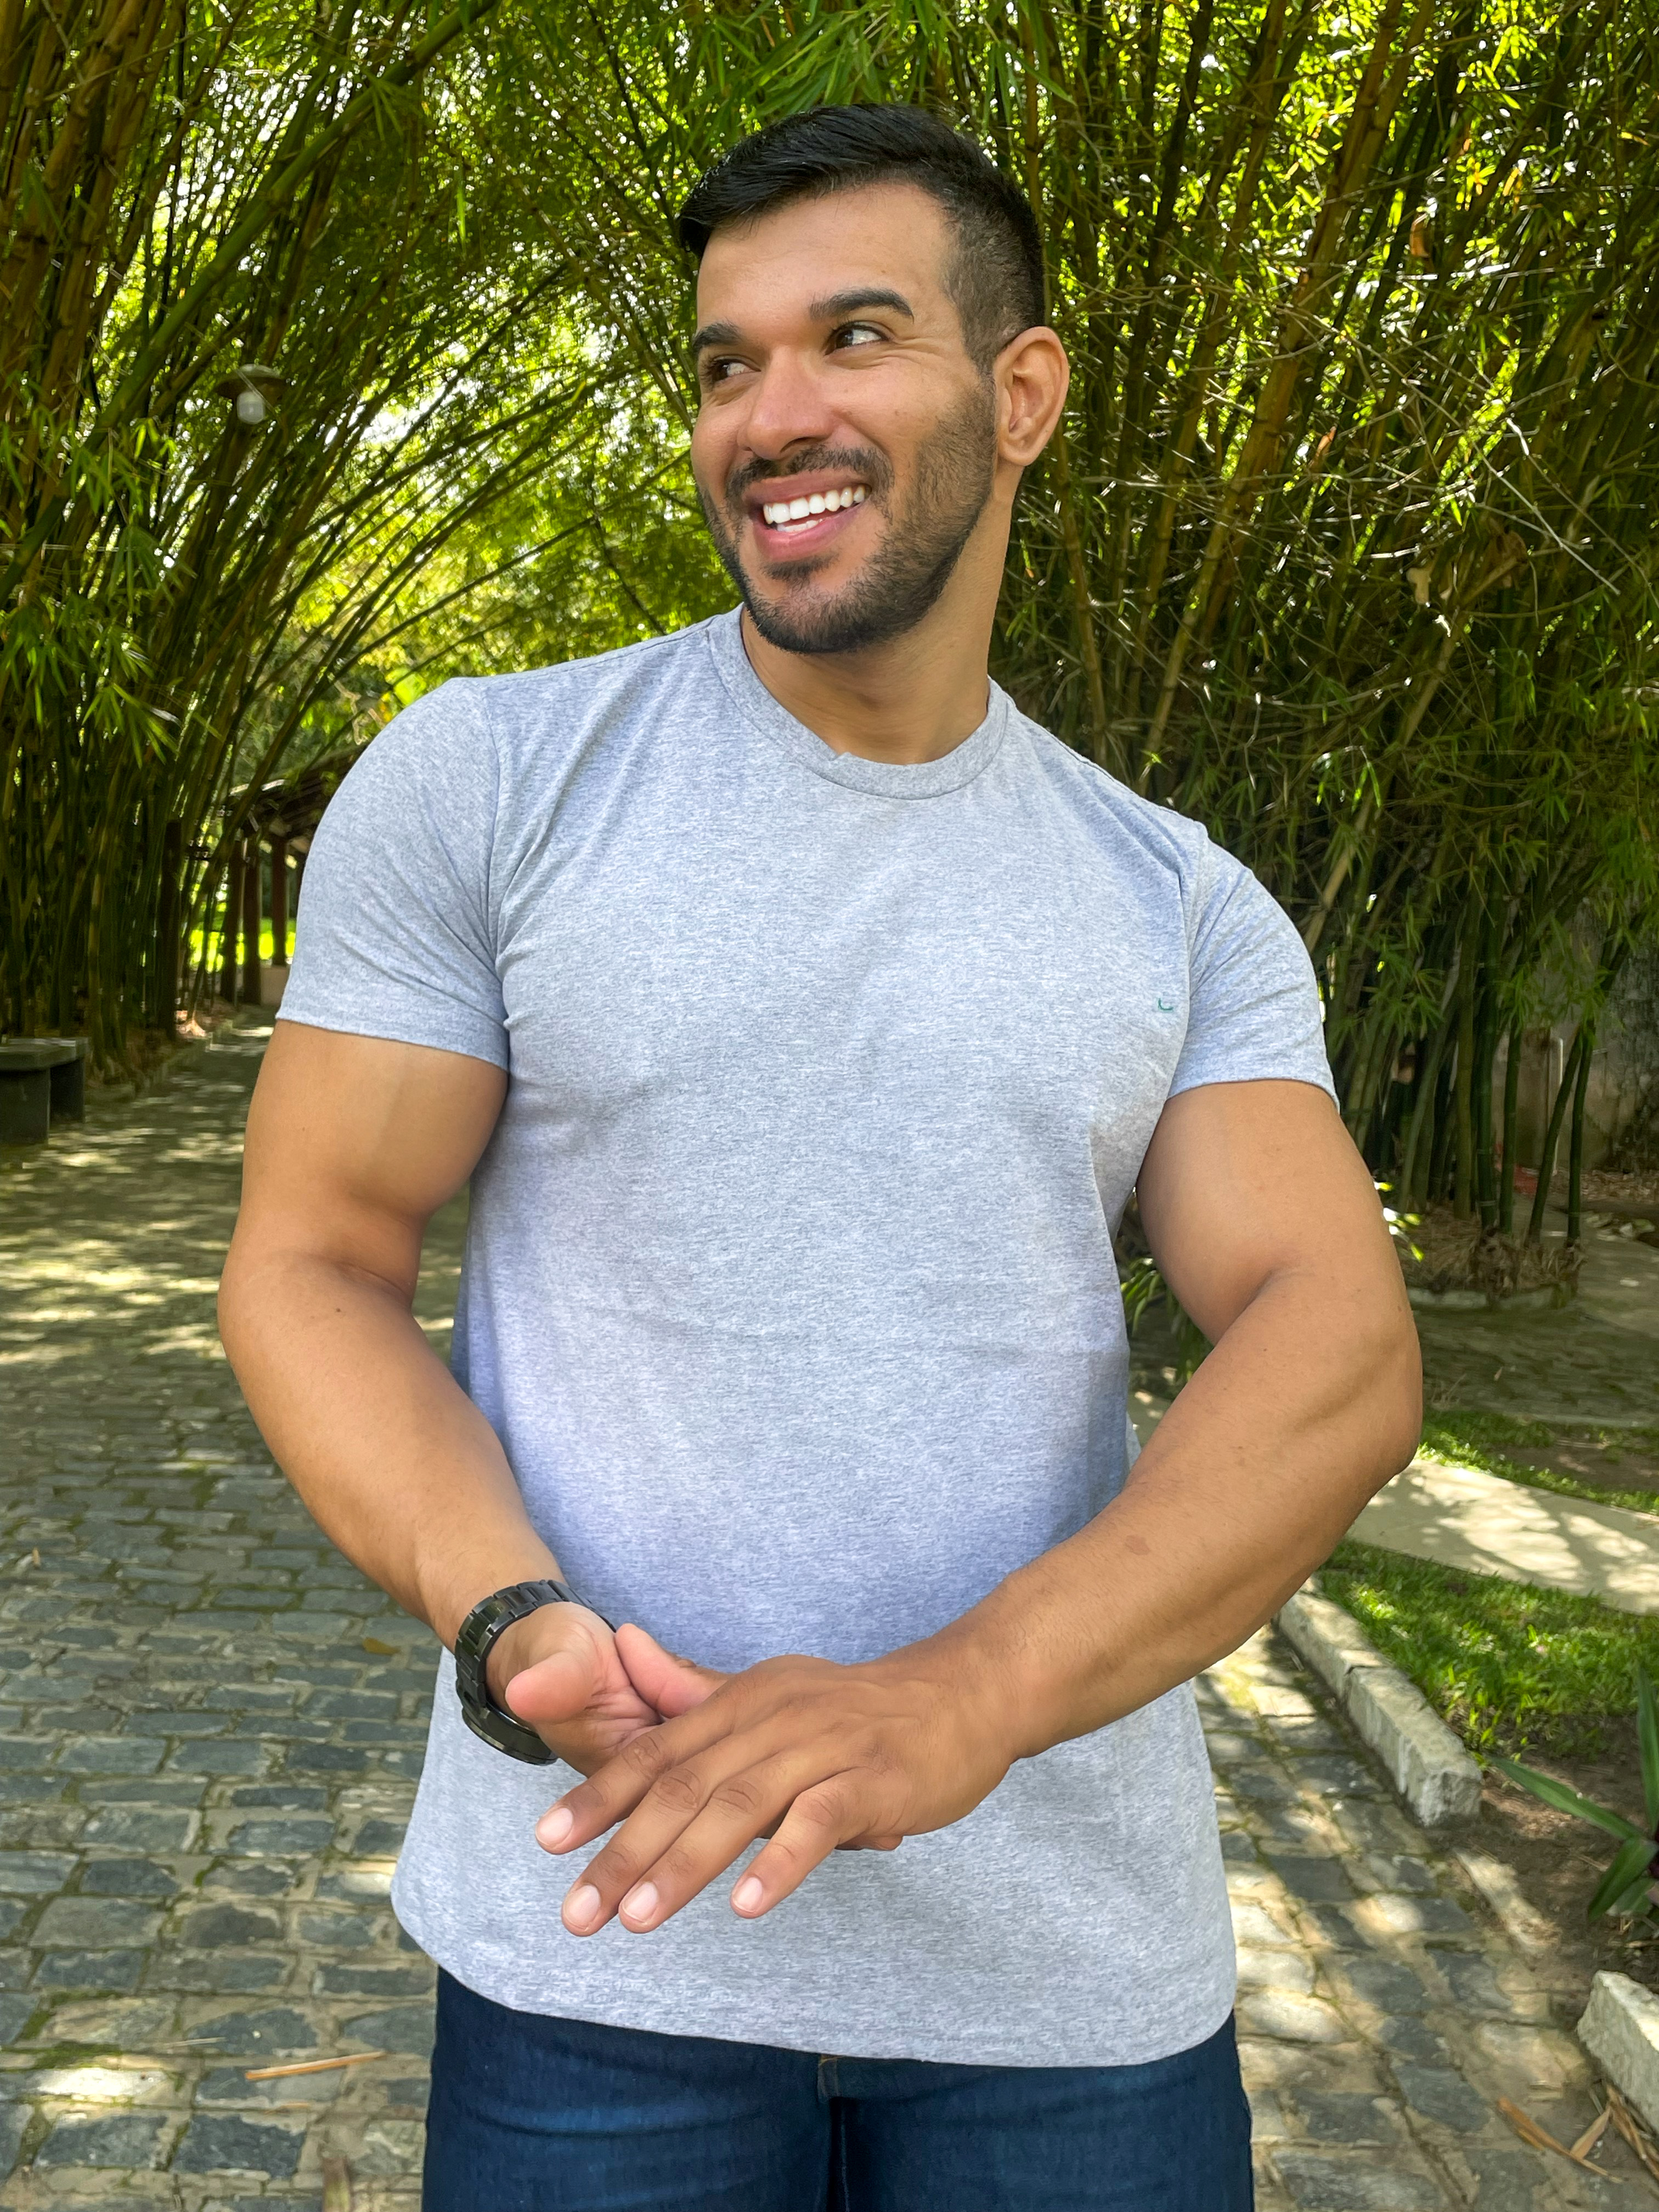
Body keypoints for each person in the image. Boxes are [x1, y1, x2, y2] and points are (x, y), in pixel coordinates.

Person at [219, 102, 1420, 2212]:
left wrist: (968, 1698)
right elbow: (314, 1256)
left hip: (1066, 1998)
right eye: (724, 362)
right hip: (607, 1941)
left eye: (854, 338)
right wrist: (504, 1613)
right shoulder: (493, 780)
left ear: (1021, 392)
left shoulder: (1177, 903)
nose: (775, 414)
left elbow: (1336, 1342)